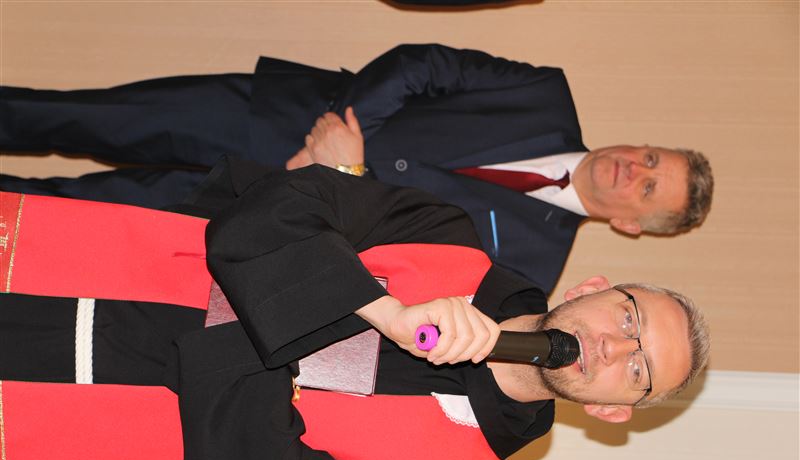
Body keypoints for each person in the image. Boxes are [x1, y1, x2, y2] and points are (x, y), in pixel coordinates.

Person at [0, 160, 708, 460]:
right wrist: (382, 310)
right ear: (592, 285)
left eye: (637, 368)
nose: (611, 347)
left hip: (62, 420)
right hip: (85, 263)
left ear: (613, 410)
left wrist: (288, 313)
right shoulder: (447, 236)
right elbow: (278, 206)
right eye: (628, 317)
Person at [0, 44, 714, 294]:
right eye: (651, 156)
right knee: (74, 116)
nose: (634, 168)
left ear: (632, 226)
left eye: (649, 187)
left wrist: (336, 177)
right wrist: (336, 132)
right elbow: (421, 66)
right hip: (266, 114)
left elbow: (397, 265)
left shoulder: (527, 268)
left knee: (75, 211)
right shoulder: (543, 93)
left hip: (255, 212)